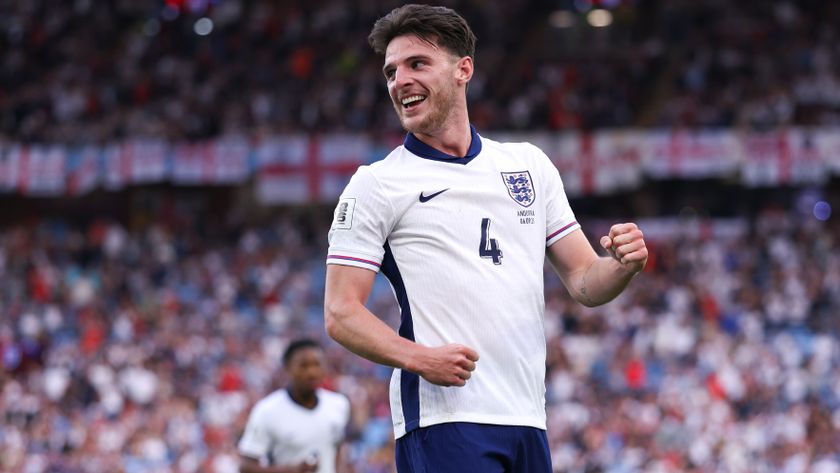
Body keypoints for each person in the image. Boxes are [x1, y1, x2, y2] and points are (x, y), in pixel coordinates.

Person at [324, 4, 648, 472]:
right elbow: (340, 311)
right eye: (391, 71)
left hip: (527, 417)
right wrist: (421, 359)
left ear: (463, 70)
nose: (399, 81)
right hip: (444, 422)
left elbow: (583, 280)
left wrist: (621, 265)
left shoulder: (528, 166)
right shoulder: (377, 184)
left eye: (417, 64)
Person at [238, 339, 351, 473]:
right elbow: (246, 467)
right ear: (287, 368)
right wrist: (290, 470)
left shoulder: (338, 404)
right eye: (303, 366)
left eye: (317, 364)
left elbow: (336, 447)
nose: (312, 372)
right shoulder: (267, 410)